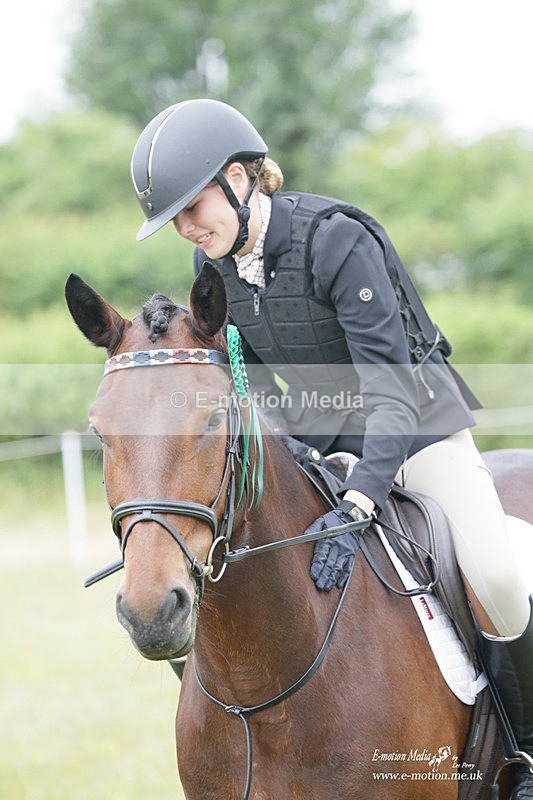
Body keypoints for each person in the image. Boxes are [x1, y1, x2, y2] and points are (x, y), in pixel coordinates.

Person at [130, 98, 533, 797]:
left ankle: (522, 754)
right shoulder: (218, 269)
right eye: (176, 222)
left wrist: (359, 497)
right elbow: (257, 391)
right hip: (326, 431)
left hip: (418, 423)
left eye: (193, 208)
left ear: (238, 177)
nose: (189, 230)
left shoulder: (336, 239)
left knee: (495, 575)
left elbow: (389, 386)